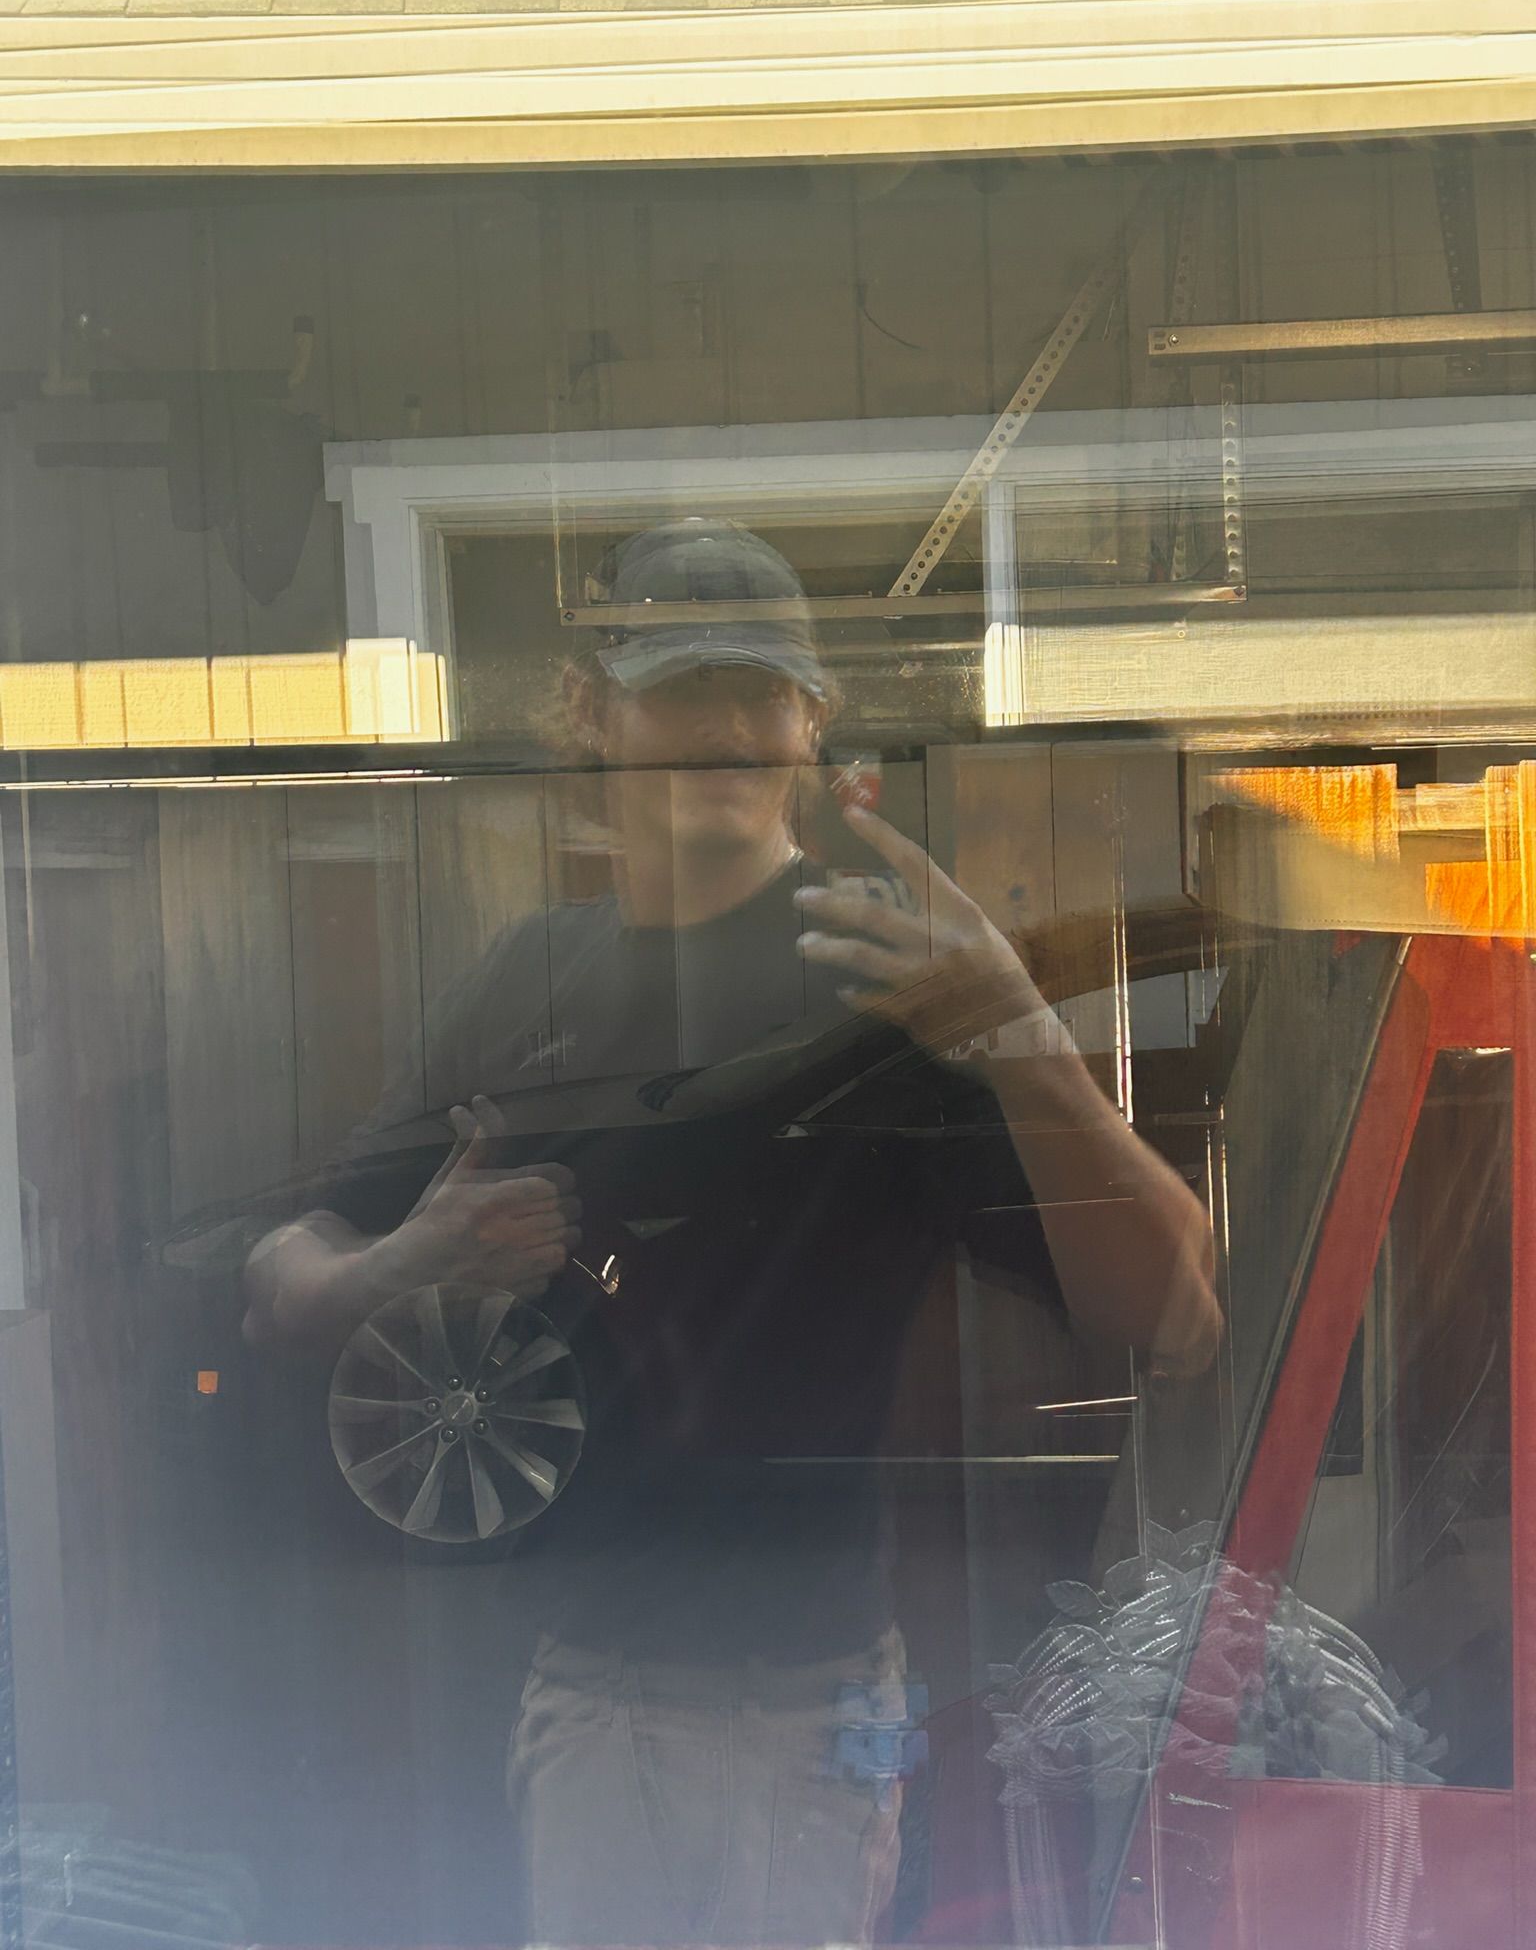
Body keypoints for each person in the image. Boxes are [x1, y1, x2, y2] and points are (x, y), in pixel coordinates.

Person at [244, 520, 1219, 1947]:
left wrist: (1019, 1031)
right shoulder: (534, 979)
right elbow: (282, 1283)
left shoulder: (893, 984)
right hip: (570, 1683)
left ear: (813, 726)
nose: (724, 727)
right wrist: (413, 1258)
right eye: (682, 686)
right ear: (593, 714)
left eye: (761, 692)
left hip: (803, 1698)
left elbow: (1180, 1307)